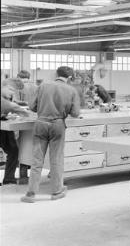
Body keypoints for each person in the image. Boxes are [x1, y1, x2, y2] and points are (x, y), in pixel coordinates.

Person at [21, 66, 81, 203]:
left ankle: (30, 194)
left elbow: (32, 107)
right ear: (70, 77)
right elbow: (75, 113)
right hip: (58, 125)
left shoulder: (43, 85)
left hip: (40, 123)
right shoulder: (72, 90)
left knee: (36, 161)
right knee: (56, 160)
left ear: (56, 74)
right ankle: (57, 191)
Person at [1, 81, 31, 186]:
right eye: (11, 90)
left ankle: (9, 179)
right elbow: (12, 107)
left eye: (14, 92)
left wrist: (5, 117)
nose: (12, 93)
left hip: (4, 128)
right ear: (3, 86)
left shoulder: (7, 97)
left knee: (13, 150)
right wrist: (29, 114)